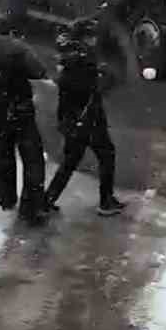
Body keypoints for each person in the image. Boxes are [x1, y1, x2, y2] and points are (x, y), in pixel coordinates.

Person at [43, 18, 125, 216]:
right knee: (106, 154)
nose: (95, 40)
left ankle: (47, 200)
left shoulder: (69, 54)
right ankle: (106, 201)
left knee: (71, 160)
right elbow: (92, 88)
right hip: (88, 116)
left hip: (71, 116)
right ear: (86, 37)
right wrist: (107, 78)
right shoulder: (83, 58)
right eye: (93, 36)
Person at [0, 17, 49, 224]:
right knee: (32, 158)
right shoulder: (19, 48)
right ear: (11, 32)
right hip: (20, 109)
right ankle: (31, 207)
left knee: (3, 154)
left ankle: (5, 199)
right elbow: (39, 71)